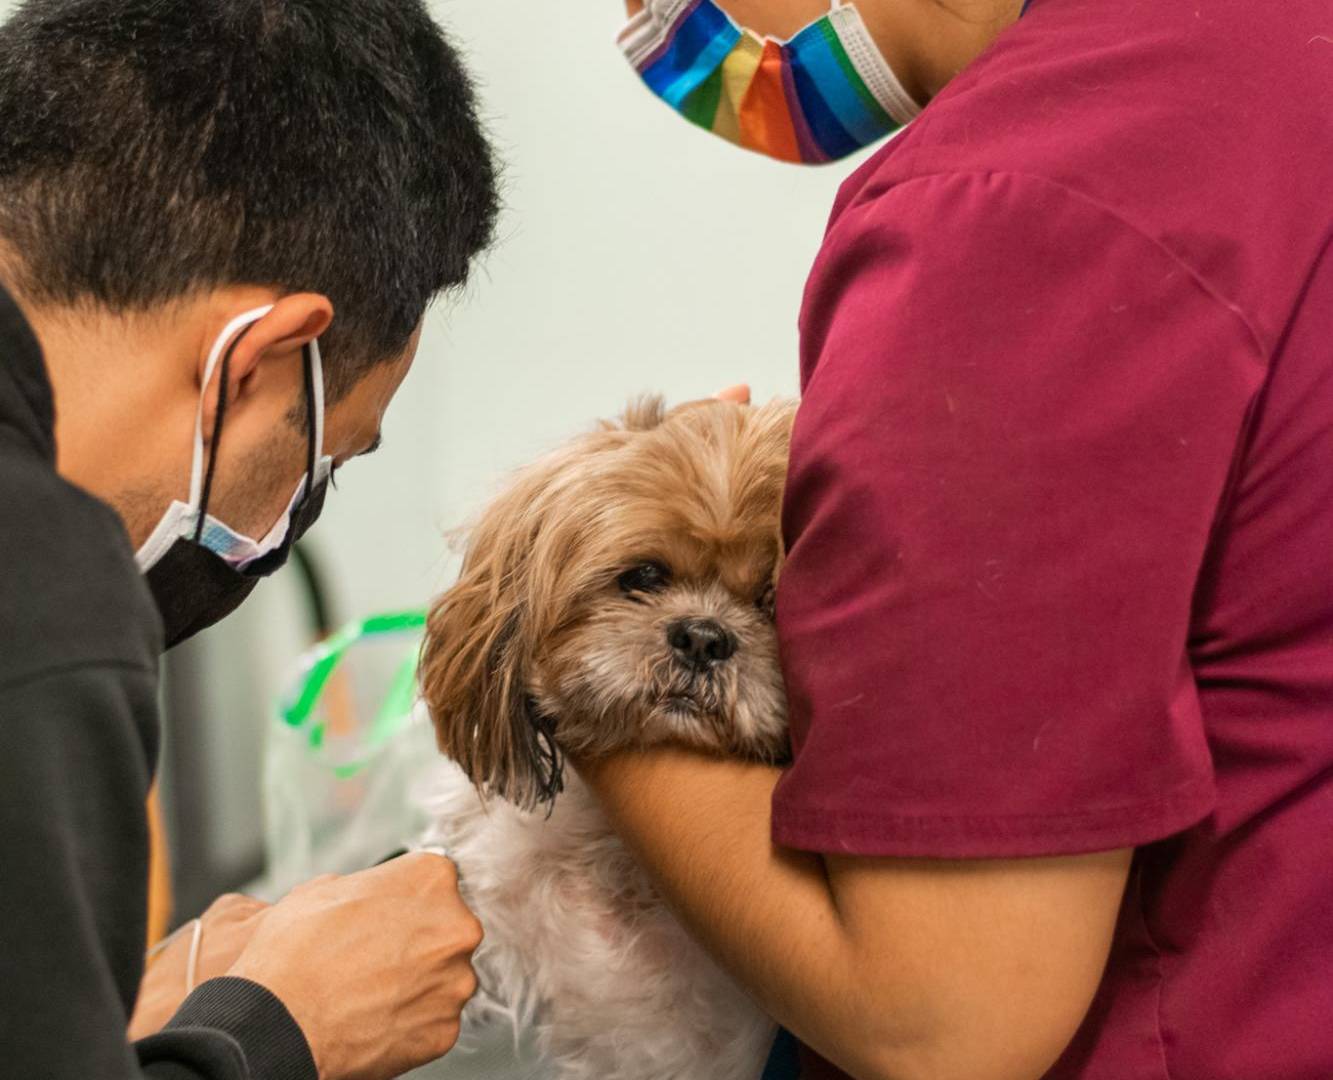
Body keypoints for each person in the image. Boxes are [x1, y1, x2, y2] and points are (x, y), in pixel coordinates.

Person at [581, 1, 1333, 1078]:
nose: (660, 26)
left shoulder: (1017, 208)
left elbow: (942, 1020)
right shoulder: (1271, 54)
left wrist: (562, 638)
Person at [0, 1, 499, 1077]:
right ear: (258, 360)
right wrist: (273, 1032)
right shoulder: (41, 594)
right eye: (326, 455)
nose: (288, 518)